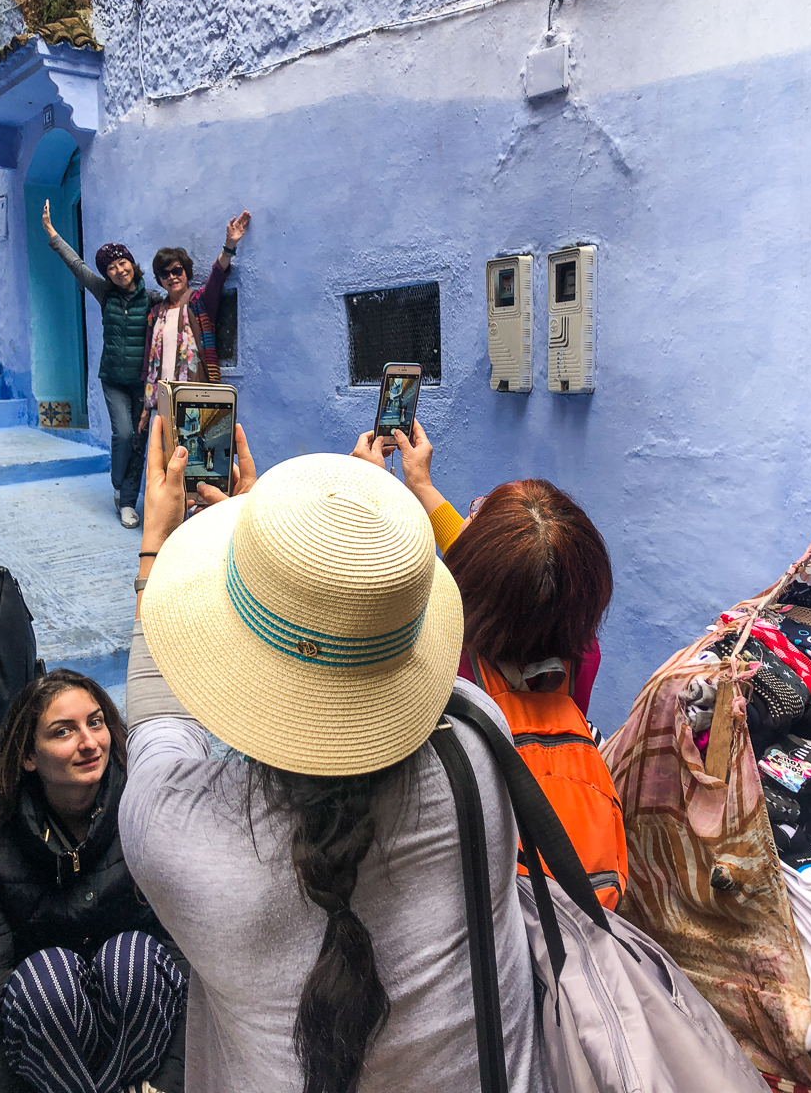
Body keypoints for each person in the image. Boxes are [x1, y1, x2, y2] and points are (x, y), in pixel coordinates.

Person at [118, 419, 548, 1092]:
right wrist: (325, 576)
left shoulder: (175, 828)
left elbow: (156, 725)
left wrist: (160, 544)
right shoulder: (479, 739)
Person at [352, 420, 627, 909]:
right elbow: (506, 585)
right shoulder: (582, 652)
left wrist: (372, 495)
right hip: (566, 866)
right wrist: (422, 487)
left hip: (473, 869)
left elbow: (478, 582)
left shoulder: (449, 647)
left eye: (475, 518)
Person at [0, 670, 186, 1093]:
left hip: (141, 1040)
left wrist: (171, 1084)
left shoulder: (145, 810)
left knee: (132, 958)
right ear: (28, 756)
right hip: (48, 1047)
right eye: (64, 731)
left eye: (95, 722)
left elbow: (188, 957)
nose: (88, 742)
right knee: (47, 977)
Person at [42, 204, 155, 529]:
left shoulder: (153, 298)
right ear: (106, 274)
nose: (119, 270)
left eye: (123, 263)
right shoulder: (105, 293)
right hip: (114, 380)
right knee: (123, 434)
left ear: (132, 264)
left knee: (140, 440)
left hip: (142, 384)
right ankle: (118, 484)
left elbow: (183, 300)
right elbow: (76, 265)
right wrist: (52, 232)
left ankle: (128, 503)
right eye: (112, 267)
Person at [138, 212, 251, 435]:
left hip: (195, 391)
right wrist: (145, 407)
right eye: (164, 273)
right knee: (168, 455)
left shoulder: (199, 303)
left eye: (176, 270)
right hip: (164, 396)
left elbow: (217, 276)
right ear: (159, 279)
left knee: (194, 451)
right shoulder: (155, 314)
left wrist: (229, 245)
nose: (172, 277)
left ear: (186, 272)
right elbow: (148, 364)